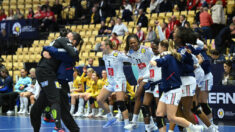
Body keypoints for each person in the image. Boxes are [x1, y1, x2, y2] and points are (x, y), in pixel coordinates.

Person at [30, 32, 80, 132]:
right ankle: (53, 123)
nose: (66, 37)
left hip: (60, 81)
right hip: (52, 78)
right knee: (53, 104)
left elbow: (70, 55)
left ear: (73, 41)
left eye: (69, 37)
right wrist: (45, 50)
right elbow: (58, 52)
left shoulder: (70, 50)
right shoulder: (64, 47)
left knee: (55, 107)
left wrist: (47, 49)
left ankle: (66, 128)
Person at [150, 40, 203, 132]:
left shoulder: (167, 57)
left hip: (173, 90)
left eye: (159, 46)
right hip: (167, 90)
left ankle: (194, 128)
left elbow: (154, 63)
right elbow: (188, 61)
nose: (157, 48)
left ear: (163, 47)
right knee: (159, 113)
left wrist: (154, 59)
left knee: (172, 117)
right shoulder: (175, 56)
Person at [97, 39, 135, 130]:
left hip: (119, 80)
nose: (101, 47)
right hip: (110, 81)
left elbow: (130, 59)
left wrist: (129, 53)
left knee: (120, 102)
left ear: (107, 46)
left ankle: (127, 123)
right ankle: (111, 118)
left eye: (102, 45)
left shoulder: (117, 54)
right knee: (99, 99)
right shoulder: (104, 55)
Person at [125, 34, 154, 128]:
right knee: (145, 103)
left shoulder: (146, 50)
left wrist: (147, 75)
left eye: (134, 42)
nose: (133, 44)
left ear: (138, 41)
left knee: (137, 95)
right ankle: (151, 124)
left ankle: (134, 121)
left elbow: (154, 61)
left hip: (150, 76)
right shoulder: (130, 54)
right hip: (141, 77)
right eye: (131, 43)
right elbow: (136, 66)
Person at [138, 39, 161, 132]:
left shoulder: (162, 57)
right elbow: (150, 72)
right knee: (145, 106)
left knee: (159, 108)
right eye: (152, 48)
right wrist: (143, 77)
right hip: (150, 83)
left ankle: (160, 127)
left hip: (158, 84)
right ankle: (148, 128)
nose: (153, 49)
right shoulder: (152, 58)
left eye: (155, 48)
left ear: (159, 47)